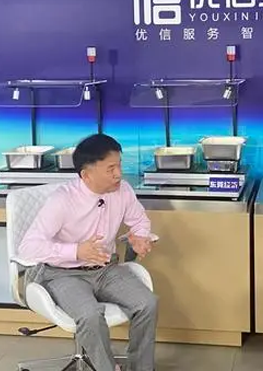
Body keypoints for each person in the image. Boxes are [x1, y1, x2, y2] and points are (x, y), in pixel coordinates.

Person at [19, 134, 158, 371]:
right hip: (62, 274)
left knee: (147, 304)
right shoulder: (62, 200)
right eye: (110, 169)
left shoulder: (123, 191)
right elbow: (28, 247)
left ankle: (141, 368)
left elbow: (139, 220)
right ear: (86, 174)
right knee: (90, 315)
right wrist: (75, 251)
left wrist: (139, 236)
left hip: (106, 269)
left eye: (119, 165)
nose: (119, 174)